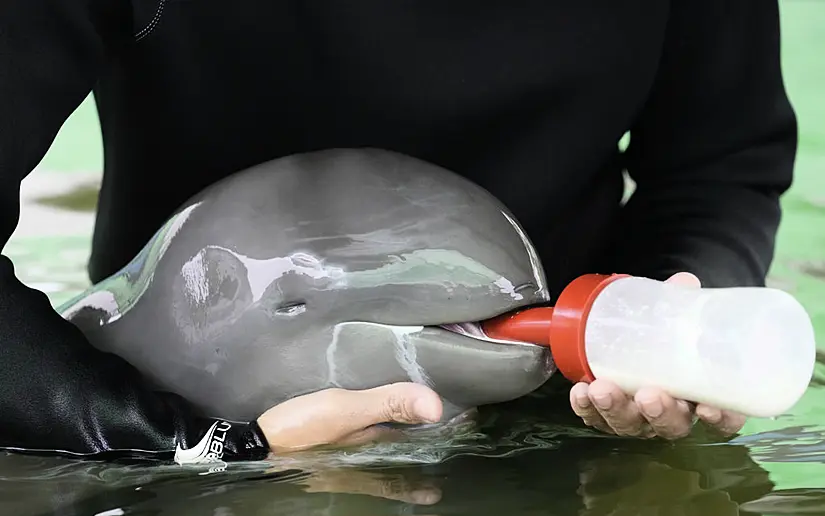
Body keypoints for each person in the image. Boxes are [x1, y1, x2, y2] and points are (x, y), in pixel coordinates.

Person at [0, 0, 797, 463]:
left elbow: (717, 163)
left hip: (565, 400)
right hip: (151, 402)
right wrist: (206, 447)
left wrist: (665, 327)